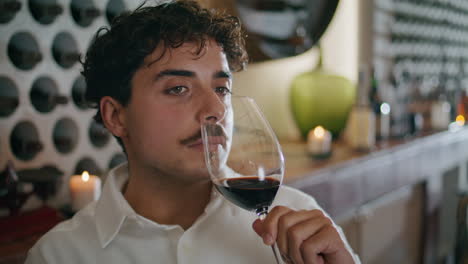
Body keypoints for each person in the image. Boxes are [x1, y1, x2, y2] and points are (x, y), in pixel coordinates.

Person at [25, 1, 360, 263]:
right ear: (116, 116)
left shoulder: (300, 218)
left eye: (222, 89)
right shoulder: (60, 254)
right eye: (178, 89)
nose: (214, 110)